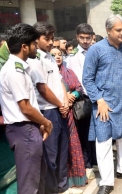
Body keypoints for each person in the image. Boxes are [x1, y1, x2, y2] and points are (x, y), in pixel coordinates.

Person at [83, 15, 122, 194]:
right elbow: (87, 79)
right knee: (103, 142)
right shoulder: (96, 50)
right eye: (119, 30)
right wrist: (99, 100)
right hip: (104, 105)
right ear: (108, 30)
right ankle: (107, 182)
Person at [0, 23, 52, 194]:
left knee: (38, 176)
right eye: (34, 44)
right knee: (30, 184)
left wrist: (40, 124)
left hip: (29, 128)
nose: (36, 48)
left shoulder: (20, 68)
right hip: (24, 130)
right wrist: (46, 122)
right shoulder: (14, 71)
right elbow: (26, 108)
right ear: (24, 46)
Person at [27, 21, 70, 193]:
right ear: (36, 39)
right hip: (48, 111)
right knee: (50, 154)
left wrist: (65, 100)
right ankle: (52, 189)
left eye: (52, 38)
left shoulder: (50, 56)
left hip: (60, 109)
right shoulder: (35, 59)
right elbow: (42, 88)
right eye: (47, 38)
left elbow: (59, 81)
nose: (51, 42)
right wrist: (60, 104)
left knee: (62, 150)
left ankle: (62, 186)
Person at [51, 47, 88, 189]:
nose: (57, 57)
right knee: (58, 148)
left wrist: (73, 96)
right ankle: (60, 181)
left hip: (70, 113)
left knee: (73, 144)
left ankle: (76, 178)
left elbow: (78, 87)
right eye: (53, 55)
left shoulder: (69, 72)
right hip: (56, 112)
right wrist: (63, 99)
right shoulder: (48, 74)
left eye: (59, 54)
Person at [66, 23, 97, 178]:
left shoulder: (96, 51)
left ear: (92, 37)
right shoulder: (74, 57)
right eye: (82, 38)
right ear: (77, 37)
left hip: (99, 96)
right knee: (85, 132)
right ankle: (88, 162)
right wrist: (92, 95)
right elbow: (80, 79)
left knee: (98, 130)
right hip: (85, 98)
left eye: (88, 37)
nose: (85, 41)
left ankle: (97, 160)